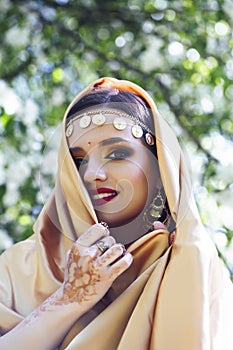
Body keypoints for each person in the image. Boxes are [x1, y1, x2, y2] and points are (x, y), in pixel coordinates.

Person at [0, 77, 232, 350]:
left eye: (117, 153)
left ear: (160, 170)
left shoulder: (197, 267)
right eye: (77, 160)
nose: (91, 174)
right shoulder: (20, 268)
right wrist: (70, 297)